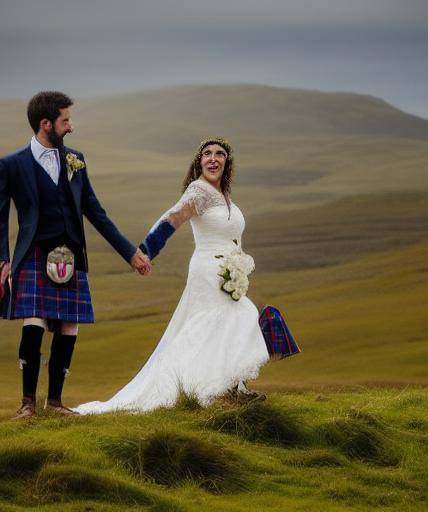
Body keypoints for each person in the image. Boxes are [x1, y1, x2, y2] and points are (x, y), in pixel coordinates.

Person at [74, 137, 269, 414]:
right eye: (207, 154)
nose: (213, 158)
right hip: (208, 271)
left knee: (225, 327)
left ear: (228, 162)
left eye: (220, 154)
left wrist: (240, 268)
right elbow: (171, 219)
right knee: (232, 320)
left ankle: (233, 389)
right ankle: (215, 389)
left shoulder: (225, 196)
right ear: (199, 162)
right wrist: (145, 251)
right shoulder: (199, 191)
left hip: (230, 271)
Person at [0, 91, 151, 420]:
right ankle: (27, 404)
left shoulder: (75, 160)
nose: (71, 126)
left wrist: (130, 253)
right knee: (35, 322)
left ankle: (55, 403)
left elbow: (96, 213)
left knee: (69, 326)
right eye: (65, 120)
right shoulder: (12, 165)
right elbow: (0, 217)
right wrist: (3, 259)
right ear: (46, 124)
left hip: (70, 256)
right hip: (35, 254)